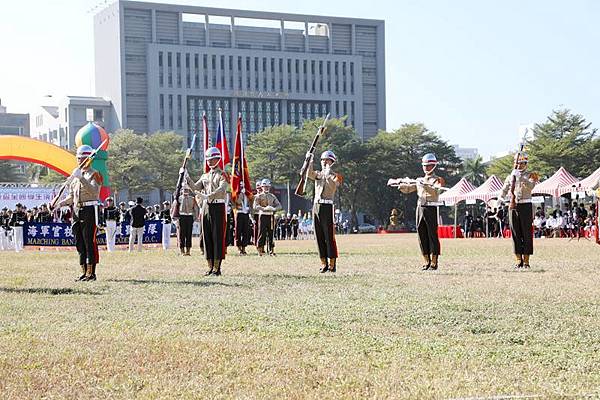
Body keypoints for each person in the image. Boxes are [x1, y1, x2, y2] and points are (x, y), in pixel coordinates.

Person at [52, 145, 102, 281]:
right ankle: (83, 271)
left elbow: (94, 192)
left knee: (88, 241)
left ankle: (91, 273)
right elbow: (71, 197)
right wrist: (59, 204)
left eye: (82, 158)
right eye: (78, 158)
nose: (80, 161)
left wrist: (81, 178)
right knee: (79, 241)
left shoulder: (94, 174)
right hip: (76, 210)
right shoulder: (75, 177)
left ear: (89, 159)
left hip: (89, 209)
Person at [390, 153, 445, 271]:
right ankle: (426, 260)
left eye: (429, 165)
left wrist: (427, 184)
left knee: (432, 235)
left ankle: (434, 261)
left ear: (434, 166)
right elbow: (409, 189)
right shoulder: (419, 180)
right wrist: (399, 184)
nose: (426, 168)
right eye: (425, 165)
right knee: (421, 234)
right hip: (420, 208)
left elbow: (437, 189)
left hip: (431, 208)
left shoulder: (437, 179)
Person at [185, 146, 228, 275]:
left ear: (218, 159)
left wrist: (209, 196)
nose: (209, 161)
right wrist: (186, 177)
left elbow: (222, 189)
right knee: (207, 236)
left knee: (217, 236)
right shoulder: (204, 176)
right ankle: (209, 266)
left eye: (212, 159)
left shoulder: (223, 174)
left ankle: (217, 267)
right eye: (208, 159)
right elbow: (195, 187)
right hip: (206, 207)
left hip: (217, 206)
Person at [304, 150, 342, 272]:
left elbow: (333, 186)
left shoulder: (336, 175)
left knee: (329, 235)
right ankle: (323, 262)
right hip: (316, 206)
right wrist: (309, 160)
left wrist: (328, 172)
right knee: (319, 235)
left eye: (327, 160)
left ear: (332, 162)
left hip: (327, 207)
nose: (324, 162)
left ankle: (332, 263)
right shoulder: (319, 174)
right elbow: (309, 174)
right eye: (322, 160)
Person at [499, 152, 539, 268]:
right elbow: (504, 189)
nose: (519, 165)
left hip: (526, 205)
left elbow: (531, 186)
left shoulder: (532, 175)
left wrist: (520, 176)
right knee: (515, 232)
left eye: (521, 163)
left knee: (526, 233)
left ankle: (526, 260)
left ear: (525, 163)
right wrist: (500, 198)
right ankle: (518, 259)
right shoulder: (510, 176)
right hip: (513, 205)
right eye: (517, 163)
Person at [253, 178, 282, 256]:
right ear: (262, 187)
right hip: (262, 215)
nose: (266, 188)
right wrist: (263, 209)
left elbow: (279, 205)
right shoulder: (259, 196)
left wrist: (274, 208)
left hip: (270, 216)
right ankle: (260, 250)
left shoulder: (272, 196)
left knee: (271, 233)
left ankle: (271, 250)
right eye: (265, 187)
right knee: (261, 233)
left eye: (268, 187)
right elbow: (255, 206)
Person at [176, 185, 197, 256]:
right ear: (182, 190)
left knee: (189, 234)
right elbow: (176, 208)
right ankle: (182, 250)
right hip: (181, 217)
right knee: (182, 234)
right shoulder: (179, 198)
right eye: (184, 190)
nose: (185, 191)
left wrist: (195, 217)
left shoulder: (192, 198)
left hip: (189, 217)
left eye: (187, 190)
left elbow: (195, 208)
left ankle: (188, 250)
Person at [234, 190, 252, 255]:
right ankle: (239, 248)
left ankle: (244, 248)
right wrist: (241, 194)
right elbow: (237, 202)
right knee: (238, 231)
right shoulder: (236, 194)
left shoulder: (248, 194)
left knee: (245, 231)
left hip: (246, 214)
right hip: (239, 213)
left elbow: (250, 203)